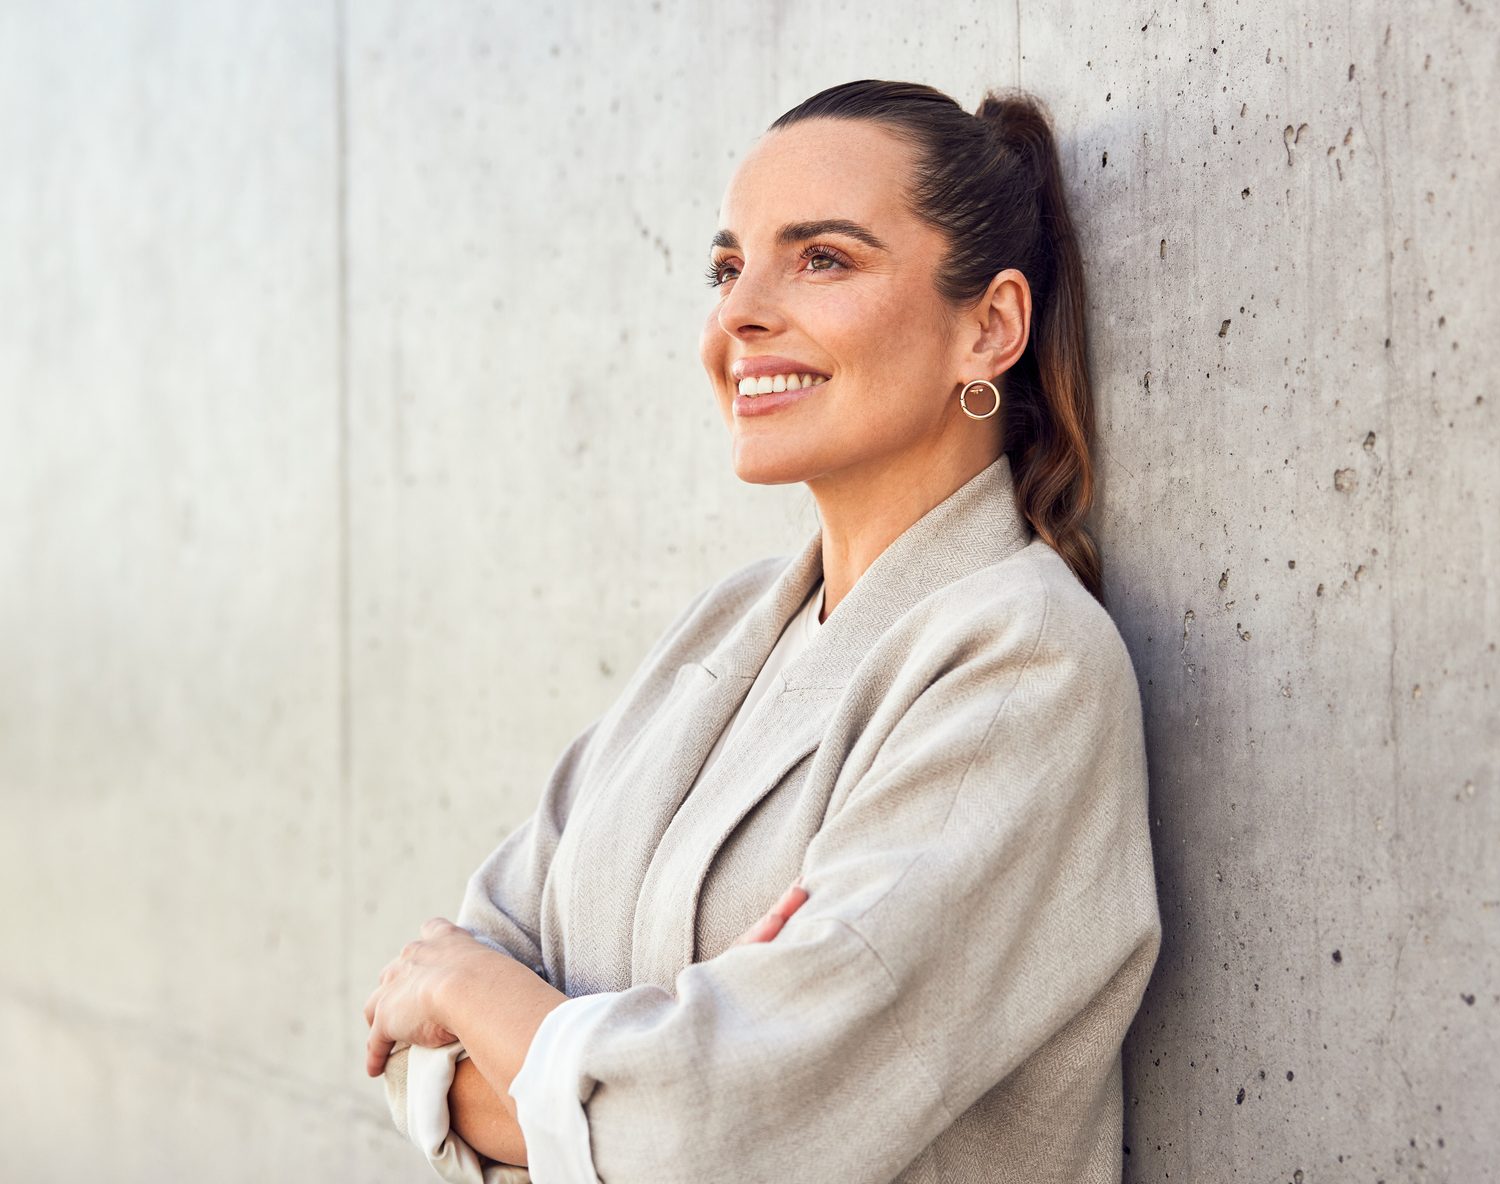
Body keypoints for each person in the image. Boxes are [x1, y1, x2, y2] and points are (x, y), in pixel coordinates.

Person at [362, 78, 1162, 1184]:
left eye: (822, 258)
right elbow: (417, 1048)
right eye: (727, 265)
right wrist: (623, 1058)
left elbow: (717, 1139)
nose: (737, 313)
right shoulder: (728, 627)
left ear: (989, 327)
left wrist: (485, 998)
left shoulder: (1024, 666)